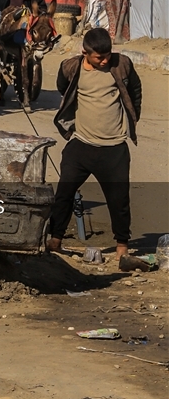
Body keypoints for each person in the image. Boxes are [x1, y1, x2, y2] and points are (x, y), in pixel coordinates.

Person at [47, 28, 142, 260]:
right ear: (85, 53)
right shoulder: (71, 67)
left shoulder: (122, 65)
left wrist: (132, 118)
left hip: (114, 148)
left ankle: (122, 246)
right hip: (81, 145)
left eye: (108, 54)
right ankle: (55, 240)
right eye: (99, 57)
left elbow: (135, 92)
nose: (105, 60)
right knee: (64, 194)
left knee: (119, 200)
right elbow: (63, 88)